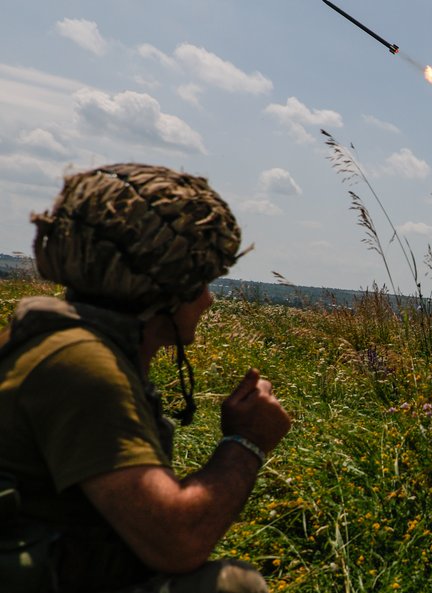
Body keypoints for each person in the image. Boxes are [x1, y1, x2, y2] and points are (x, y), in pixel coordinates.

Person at [0, 163, 292, 593]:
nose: (209, 300)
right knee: (231, 586)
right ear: (166, 293)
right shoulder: (82, 366)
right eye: (202, 283)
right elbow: (176, 542)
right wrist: (246, 443)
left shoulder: (67, 344)